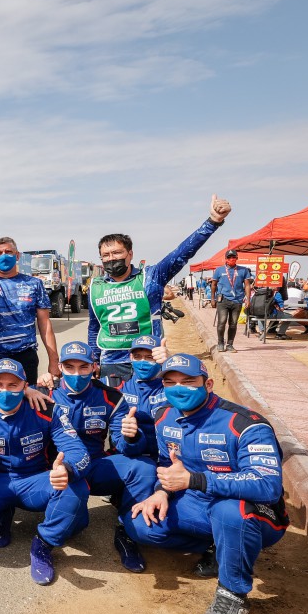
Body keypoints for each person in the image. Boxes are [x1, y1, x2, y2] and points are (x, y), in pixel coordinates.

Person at [125, 354, 288, 614]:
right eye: (170, 382)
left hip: (253, 511)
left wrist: (196, 480)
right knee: (141, 524)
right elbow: (168, 464)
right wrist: (161, 491)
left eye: (188, 382)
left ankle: (233, 593)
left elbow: (267, 485)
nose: (179, 388)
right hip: (197, 502)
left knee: (229, 511)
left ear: (208, 384)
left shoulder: (246, 424)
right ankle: (219, 548)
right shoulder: (164, 417)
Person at [0, 358, 91, 585]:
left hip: (35, 480)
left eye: (13, 385)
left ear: (25, 386)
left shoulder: (47, 409)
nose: (5, 391)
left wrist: (66, 469)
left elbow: (78, 450)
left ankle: (42, 544)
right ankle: (2, 513)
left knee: (76, 491)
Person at [88, 195, 231, 381]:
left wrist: (213, 222)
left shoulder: (150, 277)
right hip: (111, 363)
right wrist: (93, 360)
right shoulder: (96, 287)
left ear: (130, 254)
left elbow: (181, 253)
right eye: (105, 255)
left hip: (149, 359)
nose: (111, 258)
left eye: (116, 252)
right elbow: (94, 327)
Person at [51, 341, 157, 572]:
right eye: (69, 367)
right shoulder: (44, 394)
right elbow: (4, 401)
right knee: (73, 526)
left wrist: (130, 436)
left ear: (94, 367)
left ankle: (128, 531)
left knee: (145, 467)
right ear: (59, 367)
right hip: (58, 470)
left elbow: (122, 445)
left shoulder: (111, 397)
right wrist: (28, 389)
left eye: (83, 367)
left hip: (95, 465)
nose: (76, 374)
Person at [0, 236, 59, 390]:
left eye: (8, 252)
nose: (4, 256)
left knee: (28, 400)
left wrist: (54, 361)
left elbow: (45, 324)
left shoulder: (34, 284)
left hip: (24, 357)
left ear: (17, 255)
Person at [116, 335, 169, 455]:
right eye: (137, 357)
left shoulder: (171, 386)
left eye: (150, 357)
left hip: (164, 455)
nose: (143, 362)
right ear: (131, 357)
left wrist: (170, 364)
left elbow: (197, 389)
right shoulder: (117, 385)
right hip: (129, 454)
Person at [211, 250, 253, 352]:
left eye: (234, 257)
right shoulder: (219, 270)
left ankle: (230, 344)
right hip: (223, 300)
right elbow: (213, 285)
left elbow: (247, 285)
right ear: (225, 259)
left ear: (237, 258)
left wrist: (248, 299)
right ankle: (220, 343)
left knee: (233, 324)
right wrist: (213, 299)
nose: (231, 259)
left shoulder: (243, 270)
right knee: (221, 322)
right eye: (229, 257)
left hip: (237, 301)